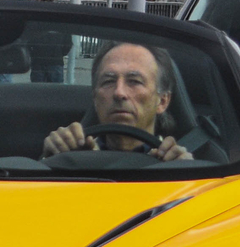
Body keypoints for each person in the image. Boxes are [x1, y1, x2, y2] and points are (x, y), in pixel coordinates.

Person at [44, 41, 187, 159]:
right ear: (95, 98)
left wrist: (189, 176)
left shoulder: (175, 164)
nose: (119, 92)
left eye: (134, 81)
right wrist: (51, 161)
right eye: (108, 81)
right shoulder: (70, 155)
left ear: (162, 101)